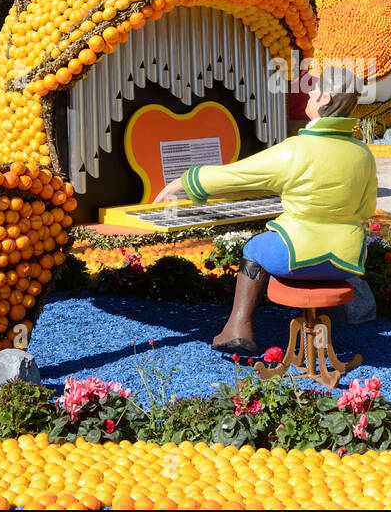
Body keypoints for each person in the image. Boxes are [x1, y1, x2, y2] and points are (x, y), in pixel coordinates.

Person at [154, 66, 375, 354]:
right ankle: (317, 341)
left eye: (314, 89)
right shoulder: (363, 154)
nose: (308, 93)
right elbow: (366, 209)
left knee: (255, 248)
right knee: (310, 257)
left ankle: (238, 327)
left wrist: (185, 180)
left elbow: (237, 174)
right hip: (348, 259)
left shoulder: (296, 149)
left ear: (325, 98)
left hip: (296, 255)